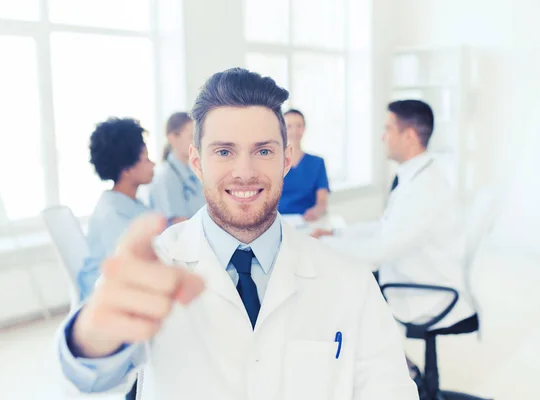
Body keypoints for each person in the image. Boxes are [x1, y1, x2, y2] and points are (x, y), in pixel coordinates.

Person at [57, 69, 418, 400]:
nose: (244, 172)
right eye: (224, 151)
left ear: (286, 160)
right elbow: (92, 378)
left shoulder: (350, 282)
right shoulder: (159, 267)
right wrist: (92, 337)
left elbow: (390, 390)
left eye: (263, 151)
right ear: (197, 162)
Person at [312, 100, 476, 330]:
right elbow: (384, 227)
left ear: (408, 136)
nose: (382, 137)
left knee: (334, 289)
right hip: (409, 275)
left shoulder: (424, 190)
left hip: (422, 291)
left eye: (388, 129)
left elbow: (378, 251)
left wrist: (325, 244)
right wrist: (336, 233)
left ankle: (384, 361)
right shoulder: (415, 177)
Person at [77, 117, 155, 303]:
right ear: (126, 169)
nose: (153, 164)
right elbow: (129, 268)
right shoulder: (112, 213)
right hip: (108, 296)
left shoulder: (132, 203)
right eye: (146, 159)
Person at [149, 112, 205, 223]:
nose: (196, 143)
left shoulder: (192, 173)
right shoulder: (166, 177)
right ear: (172, 138)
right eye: (191, 137)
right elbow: (178, 225)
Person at [277, 109, 329, 221]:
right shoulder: (272, 163)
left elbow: (322, 202)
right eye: (289, 126)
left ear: (304, 128)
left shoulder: (317, 163)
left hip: (307, 222)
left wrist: (317, 211)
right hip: (278, 223)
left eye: (298, 126)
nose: (294, 131)